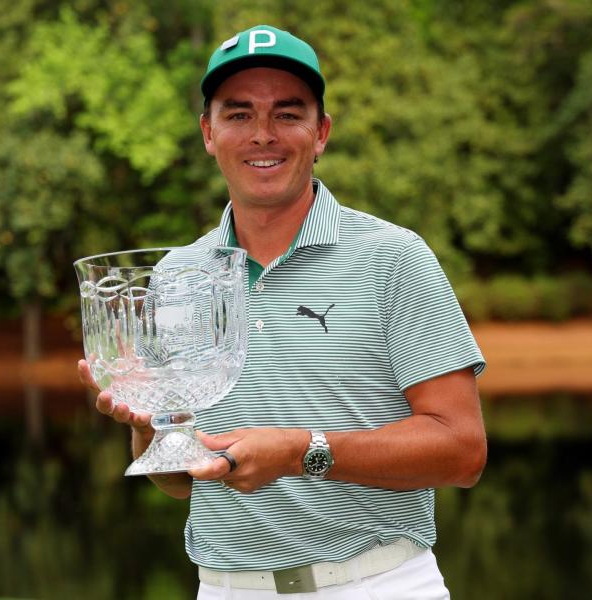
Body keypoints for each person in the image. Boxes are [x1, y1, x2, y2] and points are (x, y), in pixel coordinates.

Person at [78, 24, 487, 599]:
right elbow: (179, 482)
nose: (262, 135)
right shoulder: (173, 274)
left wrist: (304, 452)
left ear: (320, 133)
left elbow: (462, 450)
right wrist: (149, 428)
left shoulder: (393, 258)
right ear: (208, 133)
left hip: (377, 584)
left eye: (287, 114)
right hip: (224, 588)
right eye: (239, 115)